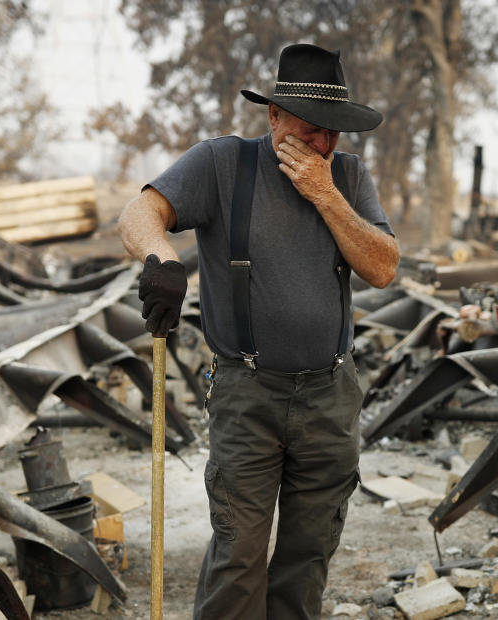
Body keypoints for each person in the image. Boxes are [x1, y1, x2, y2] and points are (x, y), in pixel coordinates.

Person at [118, 43, 399, 620]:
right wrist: (160, 260)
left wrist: (325, 195)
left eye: (334, 132)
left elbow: (383, 266)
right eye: (310, 128)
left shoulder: (346, 175)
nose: (322, 144)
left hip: (330, 394)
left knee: (309, 552)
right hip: (248, 394)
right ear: (273, 115)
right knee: (239, 554)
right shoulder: (222, 165)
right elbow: (139, 214)